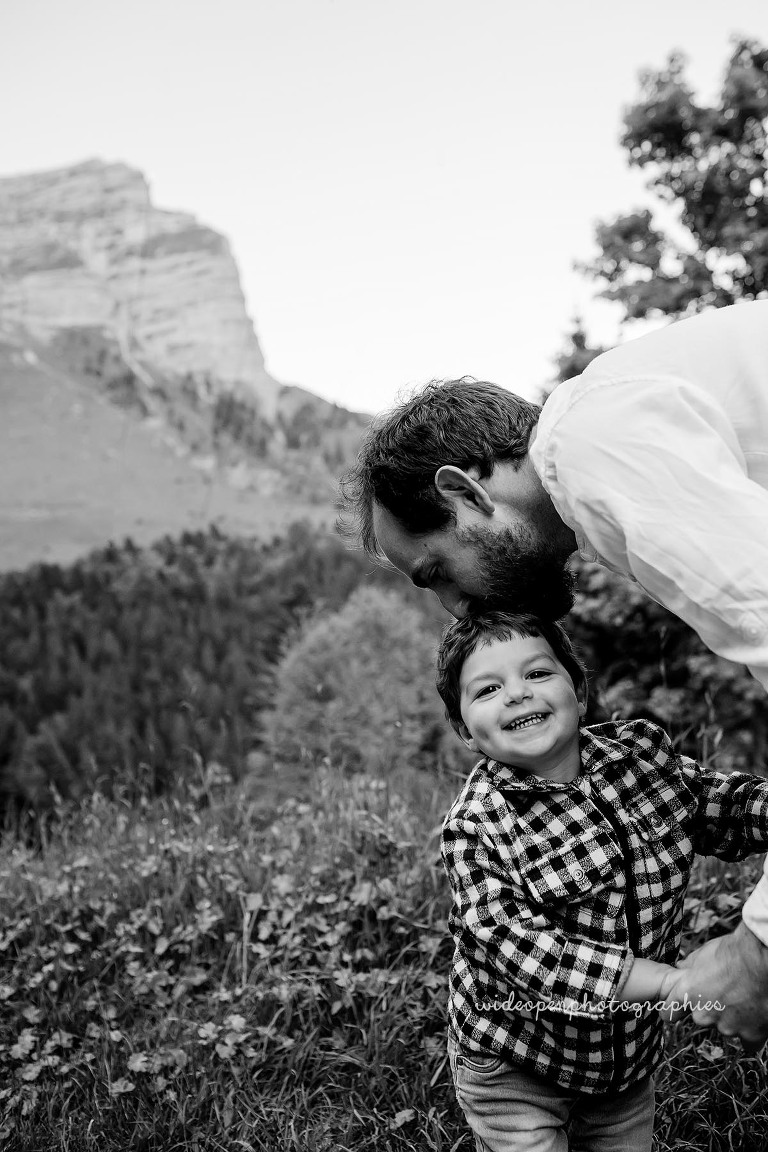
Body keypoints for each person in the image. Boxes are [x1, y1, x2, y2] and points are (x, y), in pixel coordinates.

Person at [336, 299, 768, 1049]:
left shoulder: (599, 449)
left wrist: (757, 955)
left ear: (466, 493)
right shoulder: (608, 442)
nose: (454, 609)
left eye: (437, 571)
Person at [435, 609, 768, 1152]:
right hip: (518, 1060)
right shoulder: (477, 828)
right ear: (463, 728)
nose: (518, 694)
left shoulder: (640, 762)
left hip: (625, 1065)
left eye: (538, 674)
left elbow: (720, 806)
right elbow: (524, 952)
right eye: (489, 688)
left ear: (580, 690)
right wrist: (666, 983)